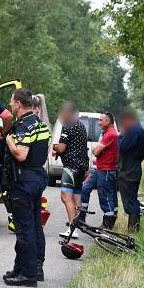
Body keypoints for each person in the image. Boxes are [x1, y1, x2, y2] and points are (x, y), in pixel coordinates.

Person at [3, 88, 50, 287]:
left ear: (19, 104)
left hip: (23, 181)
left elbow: (21, 155)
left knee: (24, 229)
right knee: (33, 224)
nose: (10, 105)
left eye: (12, 102)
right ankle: (24, 267)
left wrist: (8, 140)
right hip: (36, 177)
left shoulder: (23, 127)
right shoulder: (40, 124)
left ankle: (28, 274)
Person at [52, 102, 89, 239]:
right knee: (76, 197)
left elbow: (61, 148)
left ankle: (72, 228)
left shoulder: (68, 126)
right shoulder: (81, 125)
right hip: (81, 167)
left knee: (65, 197)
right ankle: (77, 226)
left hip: (70, 168)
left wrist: (54, 147)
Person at [79, 112, 119, 229]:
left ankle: (107, 226)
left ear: (108, 121)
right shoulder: (105, 133)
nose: (99, 122)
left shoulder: (111, 134)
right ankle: (82, 217)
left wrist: (97, 151)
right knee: (85, 188)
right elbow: (97, 151)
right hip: (98, 169)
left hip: (106, 170)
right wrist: (98, 151)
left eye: (101, 120)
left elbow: (96, 151)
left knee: (105, 197)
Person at [117, 107, 144, 232]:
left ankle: (133, 230)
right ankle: (133, 229)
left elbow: (122, 147)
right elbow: (142, 155)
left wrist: (121, 135)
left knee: (131, 203)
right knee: (131, 200)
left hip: (129, 170)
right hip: (133, 167)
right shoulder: (138, 129)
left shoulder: (133, 130)